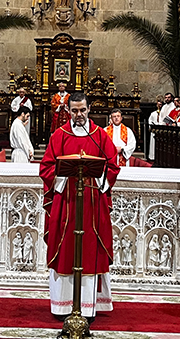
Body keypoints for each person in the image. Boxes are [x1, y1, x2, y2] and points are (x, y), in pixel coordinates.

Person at [39, 91, 120, 319]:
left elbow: (112, 166)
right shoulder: (59, 135)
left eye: (82, 110)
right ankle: (63, 306)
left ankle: (88, 306)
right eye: (74, 110)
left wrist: (99, 177)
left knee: (90, 249)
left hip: (92, 204)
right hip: (67, 203)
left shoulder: (100, 136)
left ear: (89, 109)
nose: (79, 115)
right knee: (66, 249)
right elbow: (45, 167)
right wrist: (64, 174)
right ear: (68, 111)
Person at [147, 95, 164, 161]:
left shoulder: (163, 113)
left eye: (161, 104)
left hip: (161, 130)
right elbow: (150, 121)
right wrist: (151, 127)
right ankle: (152, 156)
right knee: (153, 144)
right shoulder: (153, 113)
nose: (160, 106)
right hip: (154, 131)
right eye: (158, 104)